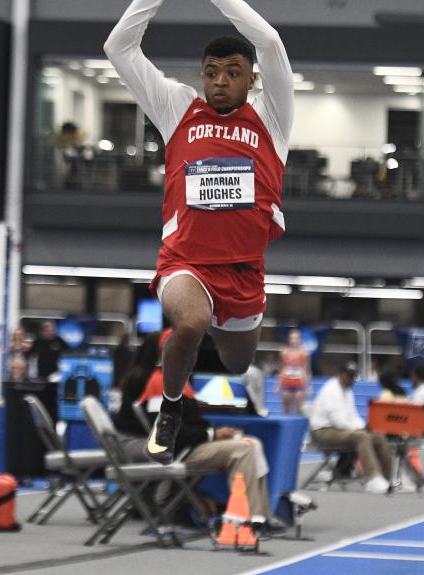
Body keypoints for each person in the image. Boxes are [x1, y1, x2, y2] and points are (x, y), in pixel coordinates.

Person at [105, 0, 294, 464]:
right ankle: (170, 409)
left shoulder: (272, 117)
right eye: (211, 72)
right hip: (185, 262)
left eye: (232, 72)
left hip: (245, 271)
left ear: (251, 79)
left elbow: (269, 42)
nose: (220, 82)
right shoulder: (178, 108)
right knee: (188, 324)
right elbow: (119, 47)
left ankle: (201, 354)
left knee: (238, 363)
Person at [114, 330, 277, 526]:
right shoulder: (159, 384)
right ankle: (243, 518)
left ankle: (260, 516)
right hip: (182, 450)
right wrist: (212, 434)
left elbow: (190, 422)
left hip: (189, 445)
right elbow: (168, 433)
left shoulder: (179, 382)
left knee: (252, 443)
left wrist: (215, 433)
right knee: (242, 450)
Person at [308, 361, 393, 493]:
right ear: (340, 374)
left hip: (339, 430)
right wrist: (360, 429)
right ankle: (373, 477)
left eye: (353, 376)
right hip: (322, 431)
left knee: (378, 436)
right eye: (348, 376)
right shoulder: (331, 390)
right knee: (361, 437)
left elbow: (353, 416)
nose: (351, 379)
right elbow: (338, 421)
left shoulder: (348, 391)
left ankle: (390, 477)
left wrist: (365, 426)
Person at [278, 328, 310, 415]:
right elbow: (282, 369)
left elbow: (307, 370)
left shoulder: (304, 353)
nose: (294, 341)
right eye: (292, 338)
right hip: (287, 382)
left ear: (300, 339)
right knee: (286, 408)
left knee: (299, 408)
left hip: (299, 383)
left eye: (296, 338)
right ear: (289, 339)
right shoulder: (284, 352)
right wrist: (278, 385)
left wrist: (307, 386)